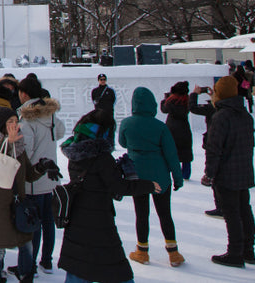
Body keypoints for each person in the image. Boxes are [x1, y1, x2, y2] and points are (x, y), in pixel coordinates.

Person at [58, 109, 160, 283]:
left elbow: (94, 181)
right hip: (99, 220)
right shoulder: (102, 158)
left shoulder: (75, 154)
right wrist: (147, 185)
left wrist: (115, 171)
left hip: (78, 219)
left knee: (79, 266)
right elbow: (118, 187)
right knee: (116, 269)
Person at [0, 106, 58, 283]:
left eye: (16, 121)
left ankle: (25, 275)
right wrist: (7, 142)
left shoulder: (20, 145)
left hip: (18, 203)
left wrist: (43, 166)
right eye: (10, 122)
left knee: (26, 243)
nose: (15, 125)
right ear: (1, 125)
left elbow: (28, 174)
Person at [118, 86, 184, 267]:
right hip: (160, 177)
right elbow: (171, 155)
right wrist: (177, 178)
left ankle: (142, 251)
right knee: (164, 214)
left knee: (141, 214)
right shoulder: (160, 127)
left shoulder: (126, 123)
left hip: (137, 177)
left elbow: (122, 142)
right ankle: (173, 253)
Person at [203, 75, 255, 268]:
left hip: (227, 174)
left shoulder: (221, 116)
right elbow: (250, 144)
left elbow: (214, 149)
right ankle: (248, 250)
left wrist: (209, 174)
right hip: (244, 170)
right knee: (244, 210)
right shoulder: (245, 114)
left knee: (232, 214)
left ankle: (235, 253)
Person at [16, 75, 64, 276]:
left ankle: (30, 265)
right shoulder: (50, 115)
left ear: (24, 93)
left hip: (34, 178)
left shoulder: (28, 117)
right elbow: (60, 132)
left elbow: (24, 150)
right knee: (47, 221)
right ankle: (47, 261)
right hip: (50, 177)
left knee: (32, 224)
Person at [189, 83, 223, 217]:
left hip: (214, 145)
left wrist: (195, 94)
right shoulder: (234, 108)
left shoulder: (212, 108)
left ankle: (221, 208)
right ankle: (233, 208)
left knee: (216, 178)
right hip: (231, 149)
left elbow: (192, 108)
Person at [160, 81, 194, 180]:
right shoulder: (186, 101)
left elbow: (164, 109)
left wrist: (165, 98)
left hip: (171, 129)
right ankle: (186, 174)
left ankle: (169, 172)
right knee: (186, 153)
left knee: (170, 151)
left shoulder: (170, 101)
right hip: (184, 129)